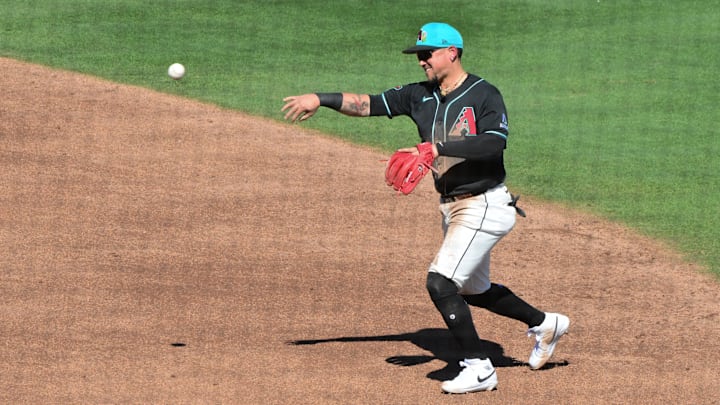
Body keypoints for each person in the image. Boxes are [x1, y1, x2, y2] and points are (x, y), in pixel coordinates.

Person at [281, 22, 569, 394]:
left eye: (427, 54)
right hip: (452, 207)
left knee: (440, 282)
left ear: (452, 52)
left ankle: (479, 367)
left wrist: (436, 148)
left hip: (485, 204)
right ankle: (546, 323)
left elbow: (492, 145)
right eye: (418, 55)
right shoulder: (420, 95)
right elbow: (370, 103)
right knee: (471, 290)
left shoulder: (484, 94)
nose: (421, 62)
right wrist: (320, 99)